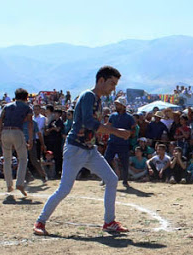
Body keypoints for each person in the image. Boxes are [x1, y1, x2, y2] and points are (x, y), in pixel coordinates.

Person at [34, 66, 131, 236]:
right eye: (112, 83)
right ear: (101, 80)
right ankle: (40, 221)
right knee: (64, 189)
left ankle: (109, 222)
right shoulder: (89, 96)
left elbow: (92, 126)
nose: (113, 88)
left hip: (87, 148)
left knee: (111, 179)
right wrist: (116, 132)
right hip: (76, 148)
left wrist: (107, 130)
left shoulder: (97, 100)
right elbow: (88, 122)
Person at [0, 88, 34, 196]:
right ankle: (19, 183)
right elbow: (30, 124)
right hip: (17, 131)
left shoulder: (7, 106)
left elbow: (0, 120)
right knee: (23, 158)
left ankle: (9, 185)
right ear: (26, 97)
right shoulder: (27, 107)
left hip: (5, 131)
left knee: (7, 158)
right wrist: (30, 139)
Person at [104, 96, 135, 187]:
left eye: (118, 104)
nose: (116, 106)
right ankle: (105, 179)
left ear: (123, 105)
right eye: (116, 104)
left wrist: (128, 134)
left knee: (125, 163)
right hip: (112, 142)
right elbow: (108, 126)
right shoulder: (112, 116)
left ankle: (125, 181)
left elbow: (134, 130)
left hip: (123, 143)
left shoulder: (129, 117)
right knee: (106, 160)